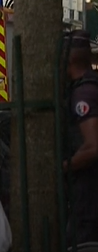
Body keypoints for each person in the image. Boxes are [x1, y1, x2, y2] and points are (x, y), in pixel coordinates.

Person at [62, 29, 98, 246]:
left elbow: (93, 147)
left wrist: (63, 167)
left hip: (89, 190)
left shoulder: (82, 93)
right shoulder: (91, 84)